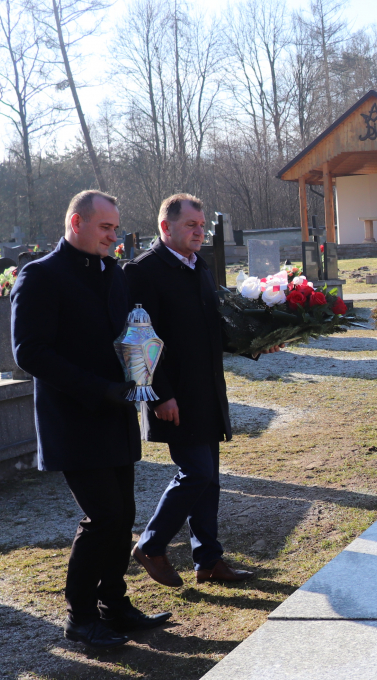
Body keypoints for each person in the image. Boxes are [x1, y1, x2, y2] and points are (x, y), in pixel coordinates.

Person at [11, 190, 172, 649]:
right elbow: (29, 352)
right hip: (74, 418)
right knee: (103, 516)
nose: (113, 236)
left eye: (116, 228)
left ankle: (113, 605)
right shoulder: (41, 276)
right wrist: (98, 388)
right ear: (76, 222)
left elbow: (126, 336)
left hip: (116, 414)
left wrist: (143, 370)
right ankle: (79, 617)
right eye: (105, 227)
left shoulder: (112, 273)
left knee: (123, 516)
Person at [125, 193, 264, 586]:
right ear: (165, 227)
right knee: (197, 472)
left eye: (202, 226)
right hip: (174, 396)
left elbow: (215, 328)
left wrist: (257, 343)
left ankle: (208, 561)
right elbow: (138, 341)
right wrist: (159, 395)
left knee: (209, 478)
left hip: (207, 392)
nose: (200, 232)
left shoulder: (200, 267)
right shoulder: (142, 271)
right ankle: (151, 545)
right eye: (191, 225)